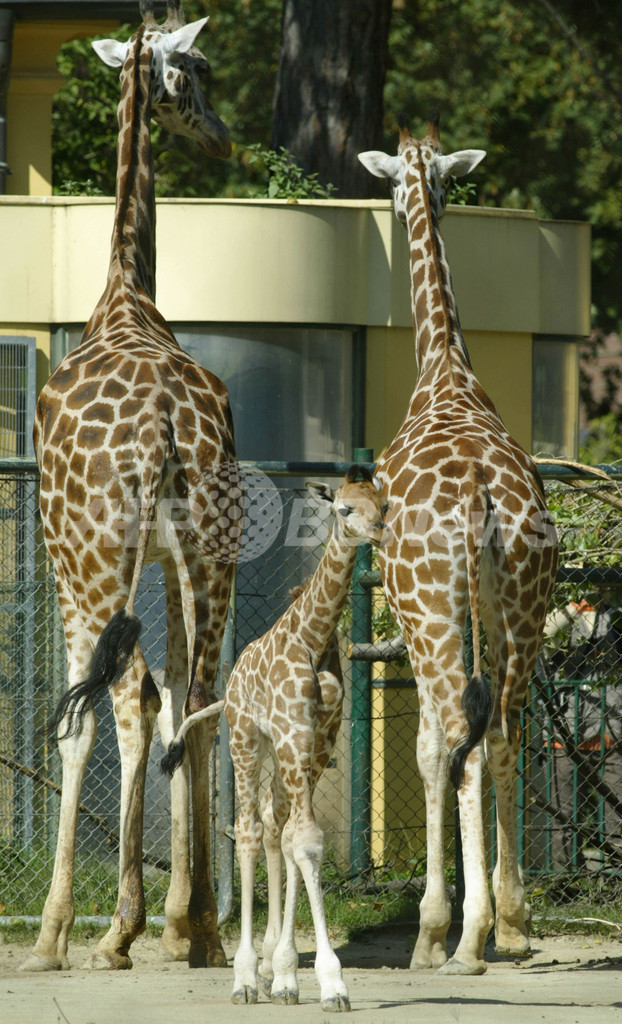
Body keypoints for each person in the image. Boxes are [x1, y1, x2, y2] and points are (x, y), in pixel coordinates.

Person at [536, 595, 622, 871]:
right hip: (566, 736)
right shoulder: (560, 618)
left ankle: (616, 877)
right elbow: (544, 638)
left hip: (612, 734)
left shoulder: (616, 618)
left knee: (617, 816)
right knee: (563, 818)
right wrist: (575, 608)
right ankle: (566, 881)